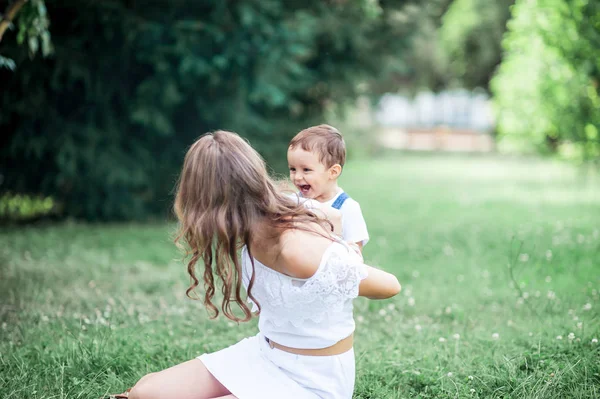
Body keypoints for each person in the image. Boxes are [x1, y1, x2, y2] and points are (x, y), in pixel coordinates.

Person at [126, 130, 401, 399]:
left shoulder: (297, 249)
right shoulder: (253, 225)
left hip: (312, 378)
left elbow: (391, 286)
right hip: (265, 353)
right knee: (143, 392)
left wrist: (340, 252)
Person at [287, 124, 369, 250]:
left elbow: (355, 258)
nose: (297, 177)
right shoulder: (292, 202)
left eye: (306, 170)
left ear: (333, 172)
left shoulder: (348, 209)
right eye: (293, 169)